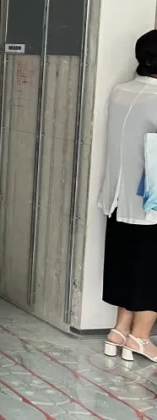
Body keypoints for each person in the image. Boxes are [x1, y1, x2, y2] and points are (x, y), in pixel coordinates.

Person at [98, 30, 157, 363]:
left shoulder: (120, 92)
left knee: (127, 266)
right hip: (151, 201)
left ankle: (119, 331)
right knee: (150, 272)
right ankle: (141, 337)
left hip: (118, 199)